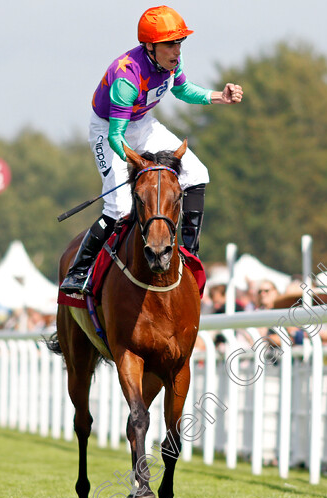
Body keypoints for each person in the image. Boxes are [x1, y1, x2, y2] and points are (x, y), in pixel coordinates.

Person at [60, 6, 244, 293]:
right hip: (109, 130)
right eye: (171, 43)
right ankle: (78, 270)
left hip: (143, 124)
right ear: (149, 46)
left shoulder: (169, 62)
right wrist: (142, 167)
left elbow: (182, 90)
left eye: (179, 42)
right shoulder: (127, 77)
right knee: (119, 206)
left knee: (197, 173)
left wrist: (219, 96)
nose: (177, 50)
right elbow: (116, 136)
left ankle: (190, 255)